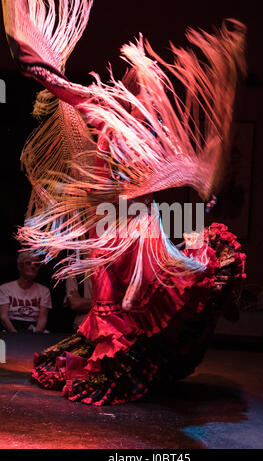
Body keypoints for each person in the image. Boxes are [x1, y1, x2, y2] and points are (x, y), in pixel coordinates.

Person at [2, 0, 247, 405]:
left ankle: (129, 357)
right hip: (110, 217)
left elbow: (180, 165)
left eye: (147, 87)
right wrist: (26, 44)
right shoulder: (104, 108)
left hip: (133, 219)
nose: (143, 91)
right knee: (112, 288)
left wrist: (206, 182)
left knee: (135, 289)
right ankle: (113, 357)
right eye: (138, 83)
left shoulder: (150, 129)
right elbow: (55, 83)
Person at [0, 253, 52, 333]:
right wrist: (15, 335)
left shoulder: (44, 291)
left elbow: (42, 319)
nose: (32, 266)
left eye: (36, 264)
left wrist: (35, 336)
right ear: (19, 266)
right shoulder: (5, 288)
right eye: (28, 263)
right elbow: (4, 317)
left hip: (34, 330)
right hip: (11, 329)